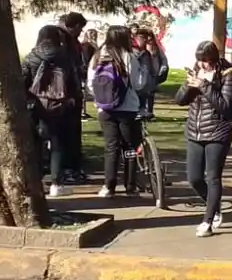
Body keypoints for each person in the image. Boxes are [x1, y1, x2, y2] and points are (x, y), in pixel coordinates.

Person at [176, 41, 232, 237]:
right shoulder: (196, 73)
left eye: (206, 61)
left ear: (213, 59)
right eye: (199, 60)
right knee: (194, 178)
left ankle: (208, 220)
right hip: (195, 132)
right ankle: (214, 206)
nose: (202, 65)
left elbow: (227, 107)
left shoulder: (226, 76)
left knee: (213, 177)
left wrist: (204, 86)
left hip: (217, 133)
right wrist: (189, 85)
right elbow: (180, 100)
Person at [22, 24, 81, 197]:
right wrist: (72, 99)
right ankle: (56, 182)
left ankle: (36, 181)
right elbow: (74, 83)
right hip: (58, 106)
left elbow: (22, 81)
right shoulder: (64, 57)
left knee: (35, 144)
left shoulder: (31, 57)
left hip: (34, 106)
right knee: (57, 145)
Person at [89, 25, 145, 198]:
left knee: (111, 147)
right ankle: (130, 185)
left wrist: (103, 98)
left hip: (104, 108)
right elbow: (138, 84)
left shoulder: (97, 56)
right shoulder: (128, 57)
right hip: (126, 108)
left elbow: (91, 84)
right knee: (129, 146)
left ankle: (109, 186)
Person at [134, 27, 168, 119]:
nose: (146, 40)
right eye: (143, 38)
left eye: (148, 38)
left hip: (151, 75)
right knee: (141, 94)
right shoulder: (135, 51)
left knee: (149, 94)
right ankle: (140, 111)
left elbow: (162, 59)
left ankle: (148, 112)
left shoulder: (154, 49)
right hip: (139, 77)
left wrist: (160, 70)